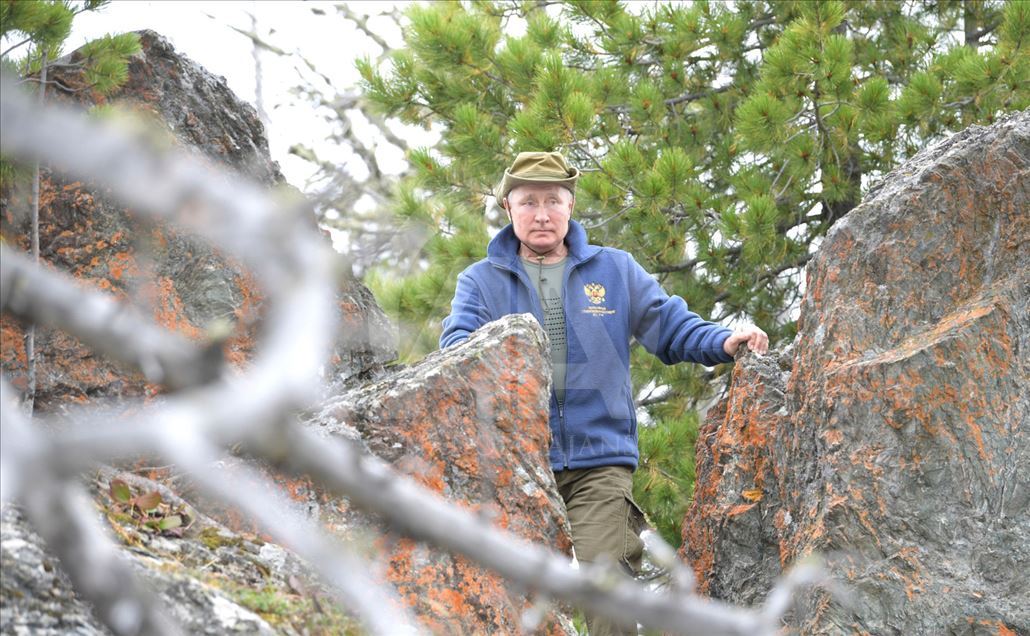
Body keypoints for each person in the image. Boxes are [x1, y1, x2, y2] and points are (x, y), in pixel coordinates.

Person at [440, 151, 767, 636]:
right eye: (529, 202)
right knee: (510, 599)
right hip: (515, 463)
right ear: (509, 209)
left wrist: (722, 341)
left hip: (599, 460)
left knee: (606, 584)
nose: (543, 213)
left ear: (570, 206)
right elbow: (456, 349)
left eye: (553, 200)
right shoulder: (480, 281)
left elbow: (671, 326)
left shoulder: (615, 270)